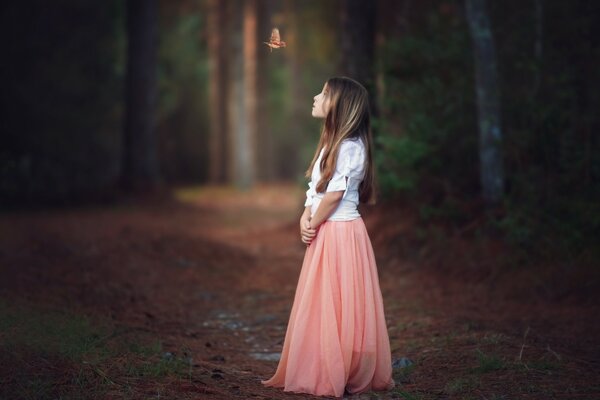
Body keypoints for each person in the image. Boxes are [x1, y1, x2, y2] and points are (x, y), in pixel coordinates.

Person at [261, 77, 395, 397]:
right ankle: (324, 363)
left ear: (340, 106)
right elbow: (317, 189)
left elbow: (336, 195)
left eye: (323, 93)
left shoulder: (351, 147)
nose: (315, 96)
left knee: (340, 302)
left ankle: (341, 368)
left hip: (342, 232)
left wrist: (315, 223)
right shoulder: (330, 144)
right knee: (323, 301)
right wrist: (305, 216)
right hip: (326, 230)